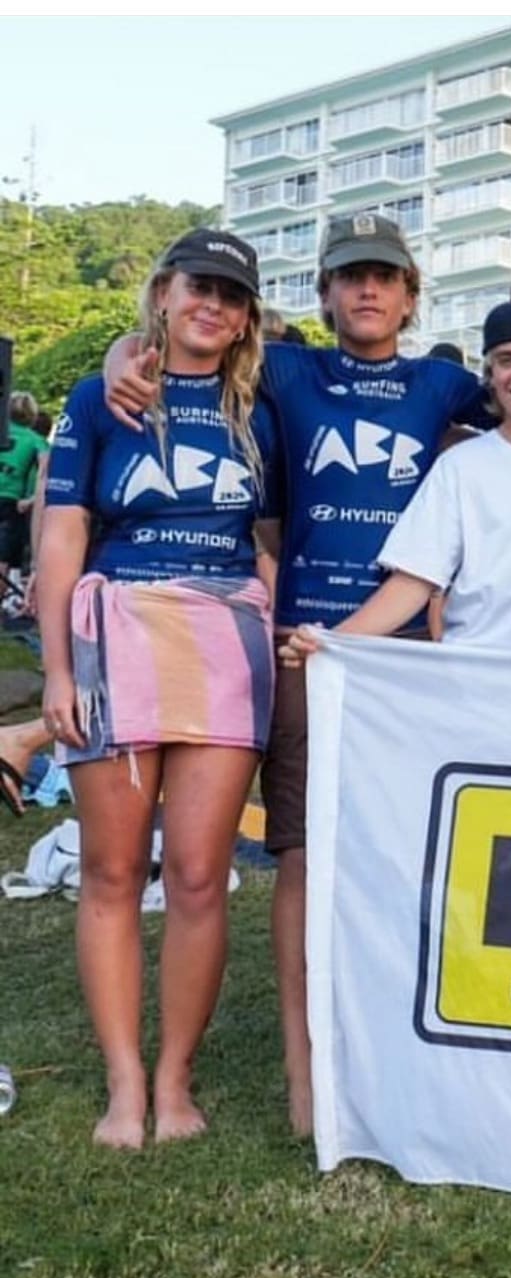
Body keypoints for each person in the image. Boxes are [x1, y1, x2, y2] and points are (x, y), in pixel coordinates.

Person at [105, 211, 490, 1136]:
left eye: (384, 277)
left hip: (408, 662)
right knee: (304, 859)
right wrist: (125, 349)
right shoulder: (289, 370)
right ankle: (305, 1067)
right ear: (322, 294)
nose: (367, 290)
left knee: (411, 857)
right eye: (349, 276)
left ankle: (405, 1046)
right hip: (305, 652)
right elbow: (182, 340)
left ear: (410, 294)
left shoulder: (443, 383)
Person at [38, 228, 277, 1149]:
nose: (211, 306)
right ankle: (124, 1084)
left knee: (199, 872)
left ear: (247, 313)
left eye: (230, 294)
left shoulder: (268, 400)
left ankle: (176, 1080)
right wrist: (58, 669)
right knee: (110, 869)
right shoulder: (101, 399)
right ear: (165, 293)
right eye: (197, 288)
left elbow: (278, 534)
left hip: (224, 638)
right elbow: (61, 540)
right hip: (117, 631)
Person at [280, 297, 511, 658]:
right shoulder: (461, 465)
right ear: (491, 377)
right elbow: (414, 581)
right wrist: (330, 642)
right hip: (473, 684)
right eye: (506, 360)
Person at [0, 390, 48, 593]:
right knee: (2, 558)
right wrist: (31, 500)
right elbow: (46, 477)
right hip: (10, 504)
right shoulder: (37, 441)